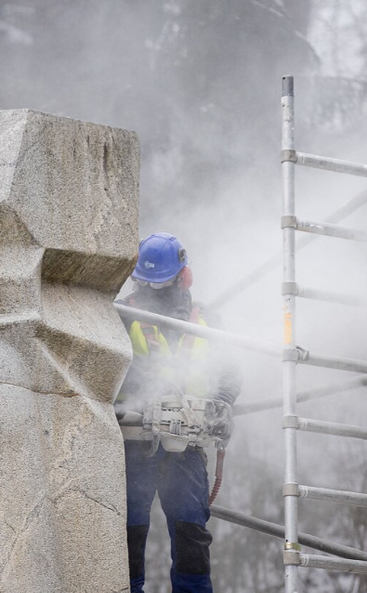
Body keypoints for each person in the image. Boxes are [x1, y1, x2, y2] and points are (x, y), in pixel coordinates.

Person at [115, 232, 241, 593]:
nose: (153, 293)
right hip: (134, 444)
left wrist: (221, 402)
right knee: (129, 533)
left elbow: (231, 371)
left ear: (183, 278)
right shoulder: (121, 315)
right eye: (145, 284)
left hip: (185, 446)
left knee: (191, 537)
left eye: (162, 284)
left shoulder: (205, 319)